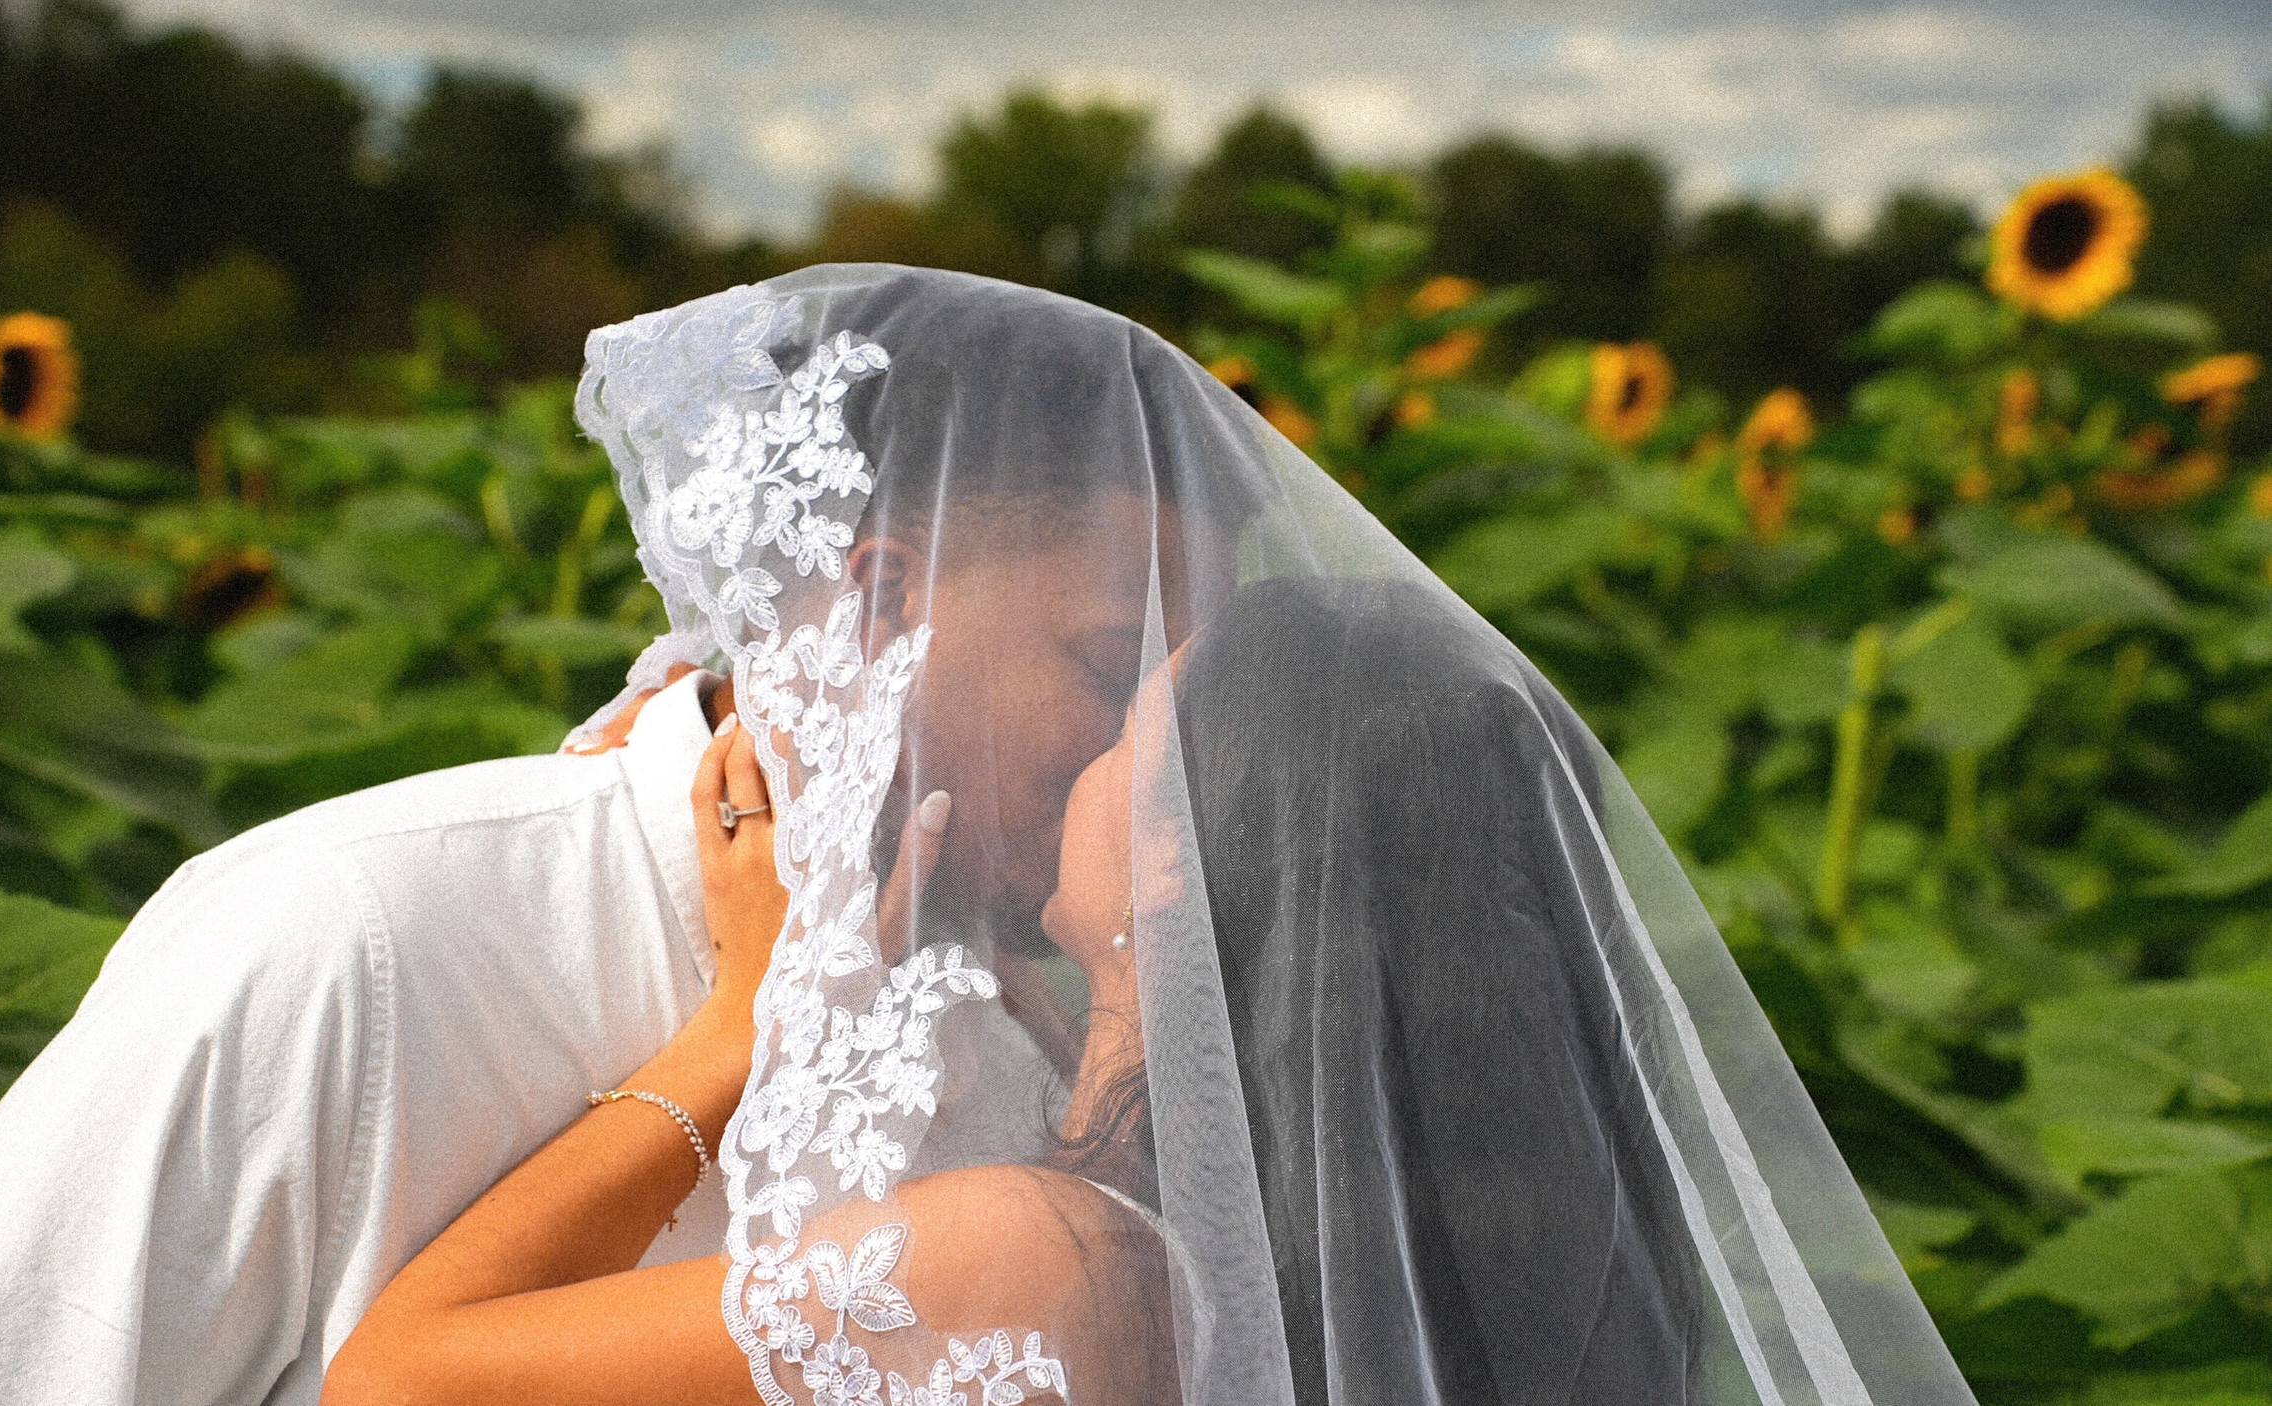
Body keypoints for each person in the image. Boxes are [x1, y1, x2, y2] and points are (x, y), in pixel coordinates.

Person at [325, 269, 1983, 1406]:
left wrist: (732, 1041)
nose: (1101, 741)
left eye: (1148, 715)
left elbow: (395, 1378)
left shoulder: (1051, 1260)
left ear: (1192, 862)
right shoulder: (1309, 1256)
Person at [0, 267, 1220, 1406]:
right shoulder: (348, 939)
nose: (1147, 758)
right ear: (881, 601)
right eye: (1110, 666)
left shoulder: (1057, 1060)